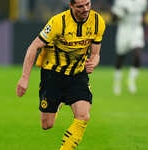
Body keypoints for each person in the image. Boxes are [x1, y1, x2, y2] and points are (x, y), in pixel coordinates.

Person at [16, 0, 106, 149]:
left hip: (77, 75)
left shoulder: (97, 21)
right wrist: (24, 78)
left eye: (88, 4)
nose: (85, 9)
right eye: (80, 6)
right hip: (53, 76)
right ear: (71, 6)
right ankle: (58, 103)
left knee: (83, 116)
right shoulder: (58, 22)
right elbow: (33, 47)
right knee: (47, 125)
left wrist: (94, 62)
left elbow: (96, 54)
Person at [111, 0, 148, 95]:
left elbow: (143, 13)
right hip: (124, 29)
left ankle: (131, 80)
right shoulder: (120, 1)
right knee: (120, 57)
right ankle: (117, 82)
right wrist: (122, 13)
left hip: (136, 29)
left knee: (138, 54)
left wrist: (143, 20)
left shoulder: (142, 1)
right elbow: (113, 19)